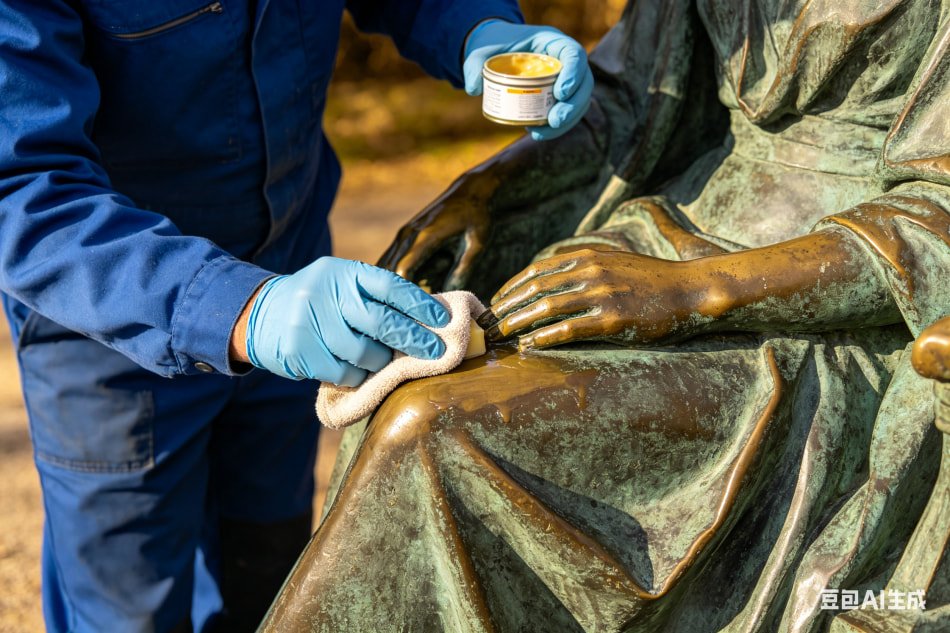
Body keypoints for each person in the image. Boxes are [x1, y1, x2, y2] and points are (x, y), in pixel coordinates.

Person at [260, 0, 950, 631]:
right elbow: (631, 96)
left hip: (810, 305)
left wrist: (685, 292)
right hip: (658, 237)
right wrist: (494, 189)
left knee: (432, 431)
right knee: (401, 395)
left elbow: (934, 218)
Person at [0, 1, 594, 631]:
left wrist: (478, 25)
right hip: (112, 334)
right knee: (128, 608)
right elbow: (22, 189)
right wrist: (243, 310)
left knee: (273, 579)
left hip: (296, 287)